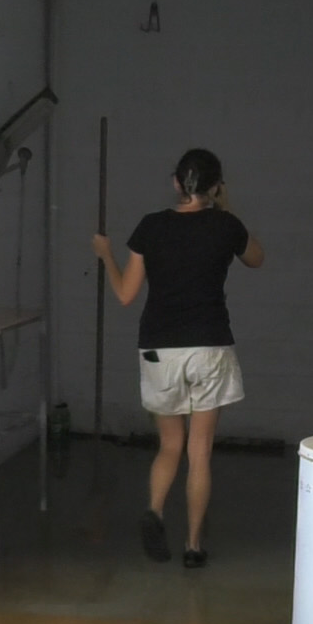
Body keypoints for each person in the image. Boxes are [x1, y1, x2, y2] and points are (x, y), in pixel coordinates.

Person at [93, 148, 265, 569]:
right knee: (199, 451)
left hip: (159, 348)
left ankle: (154, 509)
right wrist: (225, 209)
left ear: (175, 182)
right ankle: (192, 546)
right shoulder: (226, 226)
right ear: (216, 186)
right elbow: (257, 259)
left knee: (170, 445)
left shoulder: (151, 227)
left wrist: (106, 255)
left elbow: (126, 294)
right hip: (209, 346)